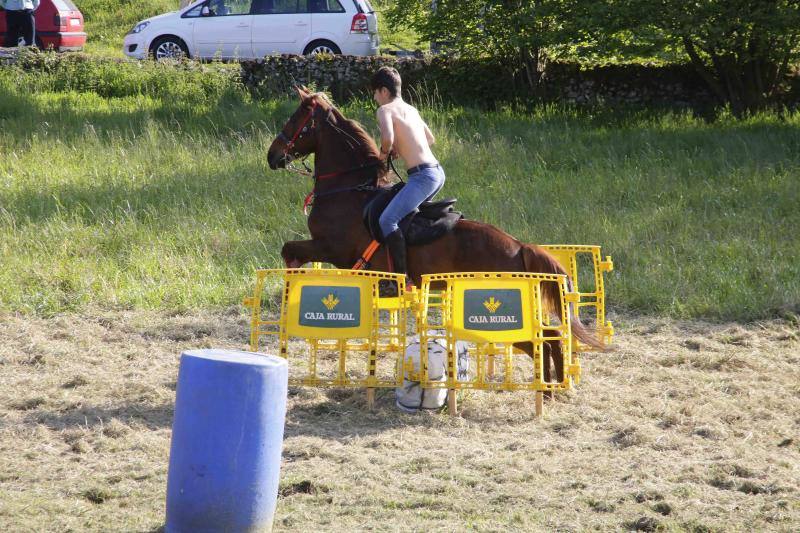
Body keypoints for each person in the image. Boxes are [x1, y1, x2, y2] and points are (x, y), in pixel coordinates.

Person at [371, 66, 445, 287]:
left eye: (374, 93)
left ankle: (401, 280)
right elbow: (430, 138)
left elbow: (386, 139)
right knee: (403, 217)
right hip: (436, 173)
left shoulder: (385, 111)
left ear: (383, 91)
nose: (375, 99)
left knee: (387, 219)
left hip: (422, 177)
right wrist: (402, 147)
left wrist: (382, 158)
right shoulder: (411, 109)